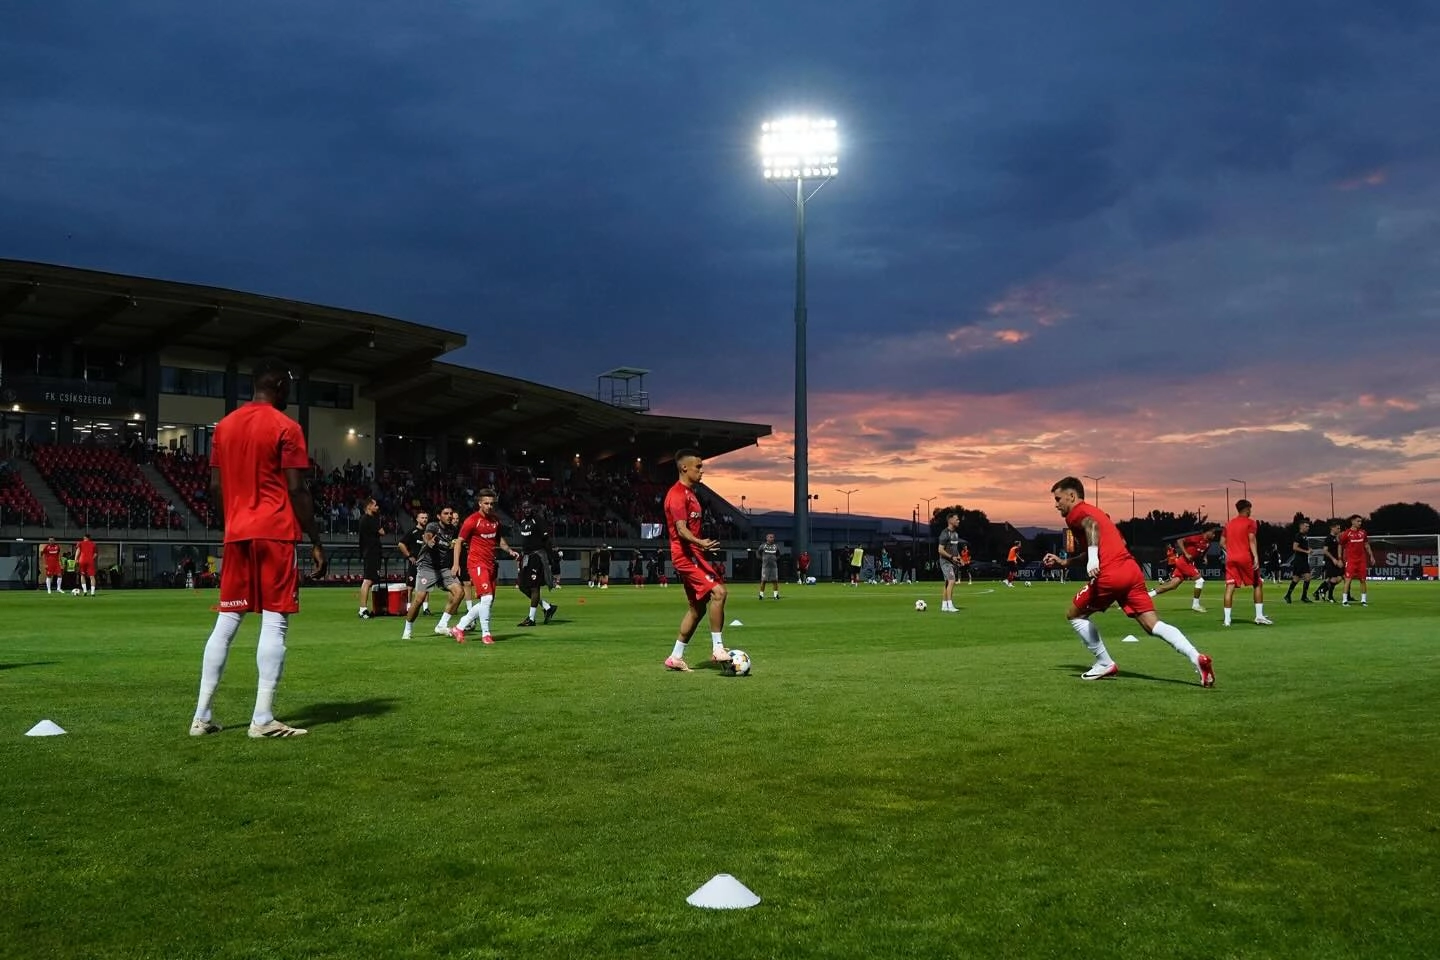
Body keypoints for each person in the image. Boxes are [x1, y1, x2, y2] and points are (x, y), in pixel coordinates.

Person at [189, 357, 328, 739]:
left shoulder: (225, 426)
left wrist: (229, 522)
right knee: (275, 620)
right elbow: (297, 488)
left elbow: (215, 488)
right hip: (276, 532)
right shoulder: (287, 427)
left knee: (227, 622)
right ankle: (262, 719)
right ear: (281, 385)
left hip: (238, 534)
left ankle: (201, 716)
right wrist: (315, 539)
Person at [1042, 477, 1214, 686]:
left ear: (1072, 495)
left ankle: (1104, 663)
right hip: (1131, 570)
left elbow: (1091, 526)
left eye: (1058, 498)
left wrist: (1095, 559)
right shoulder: (1100, 513)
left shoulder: (1077, 513)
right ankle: (1197, 658)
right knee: (1153, 624)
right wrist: (1065, 562)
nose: (1056, 504)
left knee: (1074, 614)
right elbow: (1114, 541)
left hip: (1110, 573)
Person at [661, 449, 730, 672]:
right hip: (686, 555)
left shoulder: (691, 493)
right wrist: (700, 543)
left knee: (697, 609)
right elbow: (681, 530)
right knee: (719, 593)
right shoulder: (677, 494)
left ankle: (675, 657)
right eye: (698, 466)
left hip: (694, 553)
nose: (702, 470)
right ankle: (718, 648)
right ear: (684, 468)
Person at [450, 489, 521, 644]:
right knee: (487, 598)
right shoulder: (472, 520)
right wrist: (456, 564)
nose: (489, 506)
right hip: (476, 563)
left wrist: (509, 551)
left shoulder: (495, 520)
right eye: (486, 503)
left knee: (487, 602)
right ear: (480, 503)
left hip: (490, 564)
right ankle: (486, 634)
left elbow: (499, 540)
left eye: (492, 503)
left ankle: (459, 627)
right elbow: (459, 542)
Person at [400, 506, 464, 640]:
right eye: (446, 513)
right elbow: (427, 535)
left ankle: (442, 625)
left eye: (451, 513)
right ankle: (407, 629)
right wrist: (429, 541)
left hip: (444, 568)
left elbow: (457, 544)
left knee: (459, 592)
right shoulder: (433, 526)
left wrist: (456, 564)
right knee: (419, 599)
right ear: (439, 516)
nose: (450, 516)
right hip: (427, 567)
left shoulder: (453, 530)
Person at [1222, 499, 1272, 626]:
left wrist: (1231, 552)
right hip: (1245, 557)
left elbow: (1222, 542)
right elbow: (1251, 540)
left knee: (1230, 587)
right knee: (1257, 584)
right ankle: (1259, 616)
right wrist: (1255, 556)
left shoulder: (1228, 524)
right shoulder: (1251, 522)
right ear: (1247, 509)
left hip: (1231, 558)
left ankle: (1227, 620)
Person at [1149, 527, 1216, 612]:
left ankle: (1147, 595)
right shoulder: (1197, 538)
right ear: (1207, 532)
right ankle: (1195, 605)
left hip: (1187, 563)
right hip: (1184, 562)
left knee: (1172, 585)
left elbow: (1203, 551)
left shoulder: (1208, 543)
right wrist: (1186, 553)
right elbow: (1180, 540)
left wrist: (1205, 558)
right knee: (1200, 581)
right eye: (1213, 533)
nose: (1214, 535)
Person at [512, 504, 558, 627]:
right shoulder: (522, 521)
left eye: (529, 508)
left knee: (534, 587)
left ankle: (531, 619)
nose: (527, 510)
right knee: (522, 586)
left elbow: (546, 539)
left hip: (536, 557)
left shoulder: (538, 520)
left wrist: (551, 556)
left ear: (532, 509)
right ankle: (547, 607)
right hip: (526, 557)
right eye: (524, 508)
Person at [396, 510, 431, 615]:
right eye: (422, 518)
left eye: (425, 518)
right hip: (414, 563)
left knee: (425, 586)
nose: (424, 519)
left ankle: (426, 608)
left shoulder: (428, 533)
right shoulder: (412, 532)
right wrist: (409, 556)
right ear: (417, 519)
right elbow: (401, 544)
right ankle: (409, 607)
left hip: (425, 563)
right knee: (410, 586)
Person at [1339, 514, 1376, 606]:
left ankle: (1363, 600)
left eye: (1361, 521)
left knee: (1363, 580)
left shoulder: (1363, 533)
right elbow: (1340, 545)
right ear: (1352, 522)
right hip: (1351, 561)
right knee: (1348, 580)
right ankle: (1344, 600)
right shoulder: (1346, 533)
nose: (1360, 523)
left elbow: (1367, 545)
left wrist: (1371, 556)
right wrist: (1340, 558)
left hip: (1361, 561)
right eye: (1358, 521)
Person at [357, 497, 383, 619]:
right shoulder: (370, 519)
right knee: (368, 580)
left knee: (370, 580)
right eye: (375, 505)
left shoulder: (364, 519)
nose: (377, 507)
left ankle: (369, 608)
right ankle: (362, 609)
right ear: (369, 506)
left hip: (370, 551)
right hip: (371, 552)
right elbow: (382, 532)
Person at [936, 513, 963, 613]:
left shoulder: (955, 534)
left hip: (953, 561)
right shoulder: (944, 533)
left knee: (947, 583)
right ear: (950, 520)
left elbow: (955, 549)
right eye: (957, 519)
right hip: (945, 562)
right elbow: (940, 550)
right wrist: (951, 557)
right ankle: (950, 605)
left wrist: (960, 558)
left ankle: (944, 605)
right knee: (952, 580)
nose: (958, 521)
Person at [1282, 516, 1313, 604]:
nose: (1308, 528)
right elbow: (1295, 547)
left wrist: (1309, 549)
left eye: (1308, 526)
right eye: (1306, 526)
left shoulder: (1305, 536)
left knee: (1307, 578)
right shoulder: (1298, 535)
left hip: (1304, 560)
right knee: (1297, 579)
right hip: (1299, 560)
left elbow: (1303, 546)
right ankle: (1288, 595)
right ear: (1301, 526)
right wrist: (1306, 551)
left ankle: (1303, 596)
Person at [1314, 520, 1344, 602]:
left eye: (1340, 528)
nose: (1339, 530)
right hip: (1330, 561)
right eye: (1338, 528)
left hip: (1337, 561)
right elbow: (1325, 551)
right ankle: (1330, 597)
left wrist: (1339, 559)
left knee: (1339, 578)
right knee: (1333, 579)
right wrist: (1333, 559)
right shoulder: (1328, 538)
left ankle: (1319, 591)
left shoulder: (1337, 538)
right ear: (1332, 528)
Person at [757, 532, 781, 600]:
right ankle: (761, 595)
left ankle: (776, 595)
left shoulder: (776, 546)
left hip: (774, 567)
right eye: (770, 537)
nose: (772, 538)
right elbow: (758, 553)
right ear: (767, 538)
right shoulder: (763, 546)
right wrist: (762, 559)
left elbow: (779, 555)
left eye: (773, 537)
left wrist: (776, 559)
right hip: (765, 567)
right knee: (763, 581)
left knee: (775, 581)